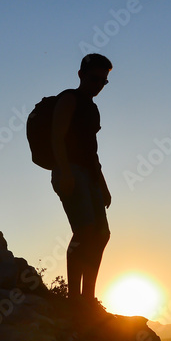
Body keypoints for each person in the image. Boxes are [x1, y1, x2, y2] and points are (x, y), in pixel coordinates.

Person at [51, 53, 112, 308]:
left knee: (102, 234)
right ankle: (74, 299)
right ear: (81, 75)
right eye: (94, 78)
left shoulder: (93, 109)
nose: (98, 84)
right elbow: (56, 136)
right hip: (71, 171)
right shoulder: (69, 98)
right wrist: (64, 172)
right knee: (84, 231)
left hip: (90, 174)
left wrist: (103, 184)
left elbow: (92, 151)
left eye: (103, 81)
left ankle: (88, 297)